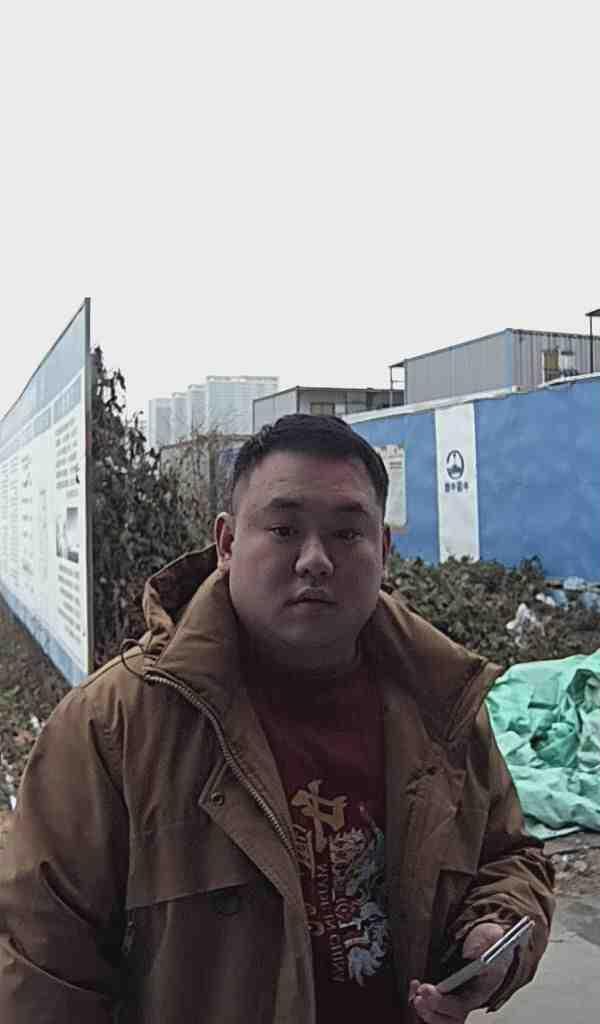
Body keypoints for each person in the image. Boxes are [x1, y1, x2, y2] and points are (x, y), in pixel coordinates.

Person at [0, 414, 554, 1023]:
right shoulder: (114, 727)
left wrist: (493, 933)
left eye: (347, 533)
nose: (315, 560)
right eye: (285, 529)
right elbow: (40, 971)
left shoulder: (440, 702)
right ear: (227, 544)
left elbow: (510, 857)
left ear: (384, 551)